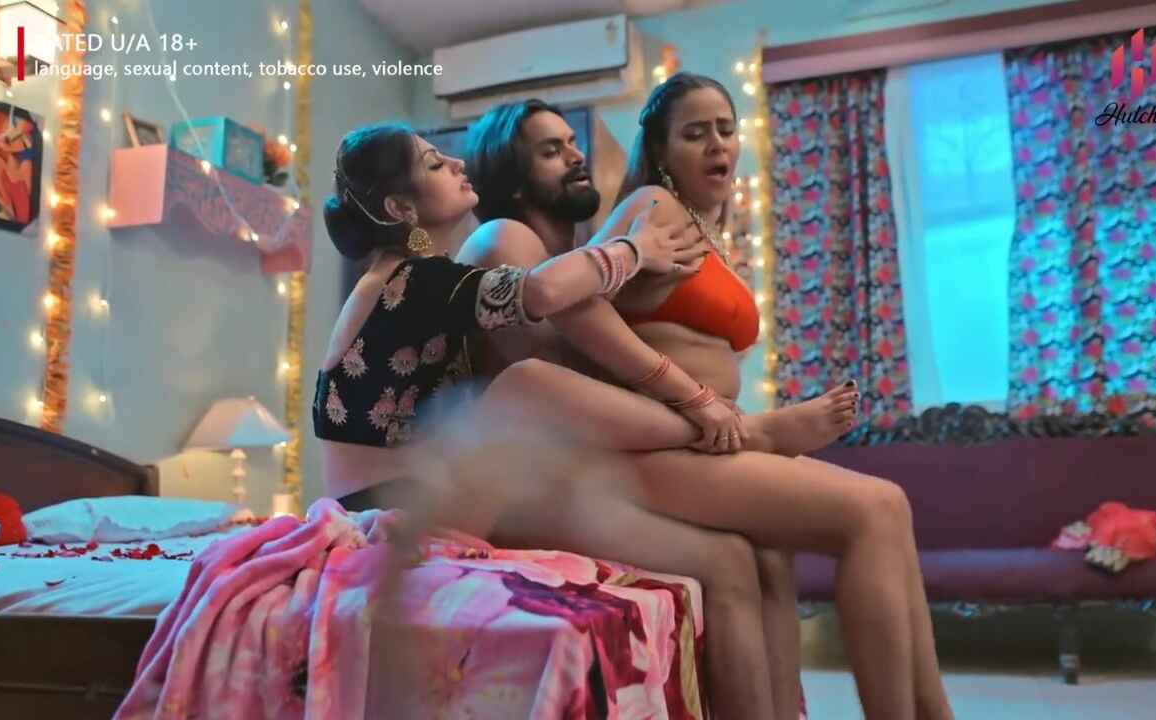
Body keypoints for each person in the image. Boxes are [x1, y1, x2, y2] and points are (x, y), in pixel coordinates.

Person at [317, 120, 871, 716]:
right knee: (522, 386)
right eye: (433, 164)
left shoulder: (431, 274)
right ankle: (741, 429)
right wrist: (636, 250)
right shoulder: (407, 277)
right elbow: (543, 293)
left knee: (727, 559)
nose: (454, 163)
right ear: (401, 208)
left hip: (452, 494)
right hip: (392, 510)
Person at [459, 78, 955, 720]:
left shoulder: (668, 234)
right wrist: (693, 397)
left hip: (680, 438)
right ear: (661, 150)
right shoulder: (639, 210)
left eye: (726, 129)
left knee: (776, 553)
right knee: (877, 507)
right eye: (696, 133)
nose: (718, 144)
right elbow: (571, 326)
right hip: (629, 455)